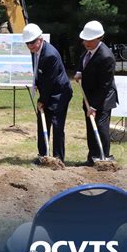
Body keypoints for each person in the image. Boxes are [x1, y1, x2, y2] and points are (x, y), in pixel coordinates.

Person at [23, 23, 72, 164]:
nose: (30, 46)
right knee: (42, 122)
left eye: (32, 42)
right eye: (27, 43)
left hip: (60, 94)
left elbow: (49, 82)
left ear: (40, 38)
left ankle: (58, 158)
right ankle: (43, 156)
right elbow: (39, 73)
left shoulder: (50, 55)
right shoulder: (35, 51)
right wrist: (37, 85)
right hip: (48, 90)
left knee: (57, 125)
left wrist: (42, 100)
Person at [74, 21, 118, 166]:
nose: (86, 42)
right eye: (85, 39)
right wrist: (80, 71)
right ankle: (92, 158)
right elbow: (84, 60)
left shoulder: (106, 57)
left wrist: (94, 107)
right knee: (90, 127)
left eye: (90, 40)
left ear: (99, 38)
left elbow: (104, 86)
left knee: (100, 126)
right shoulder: (88, 49)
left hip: (103, 98)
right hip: (90, 96)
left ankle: (104, 158)